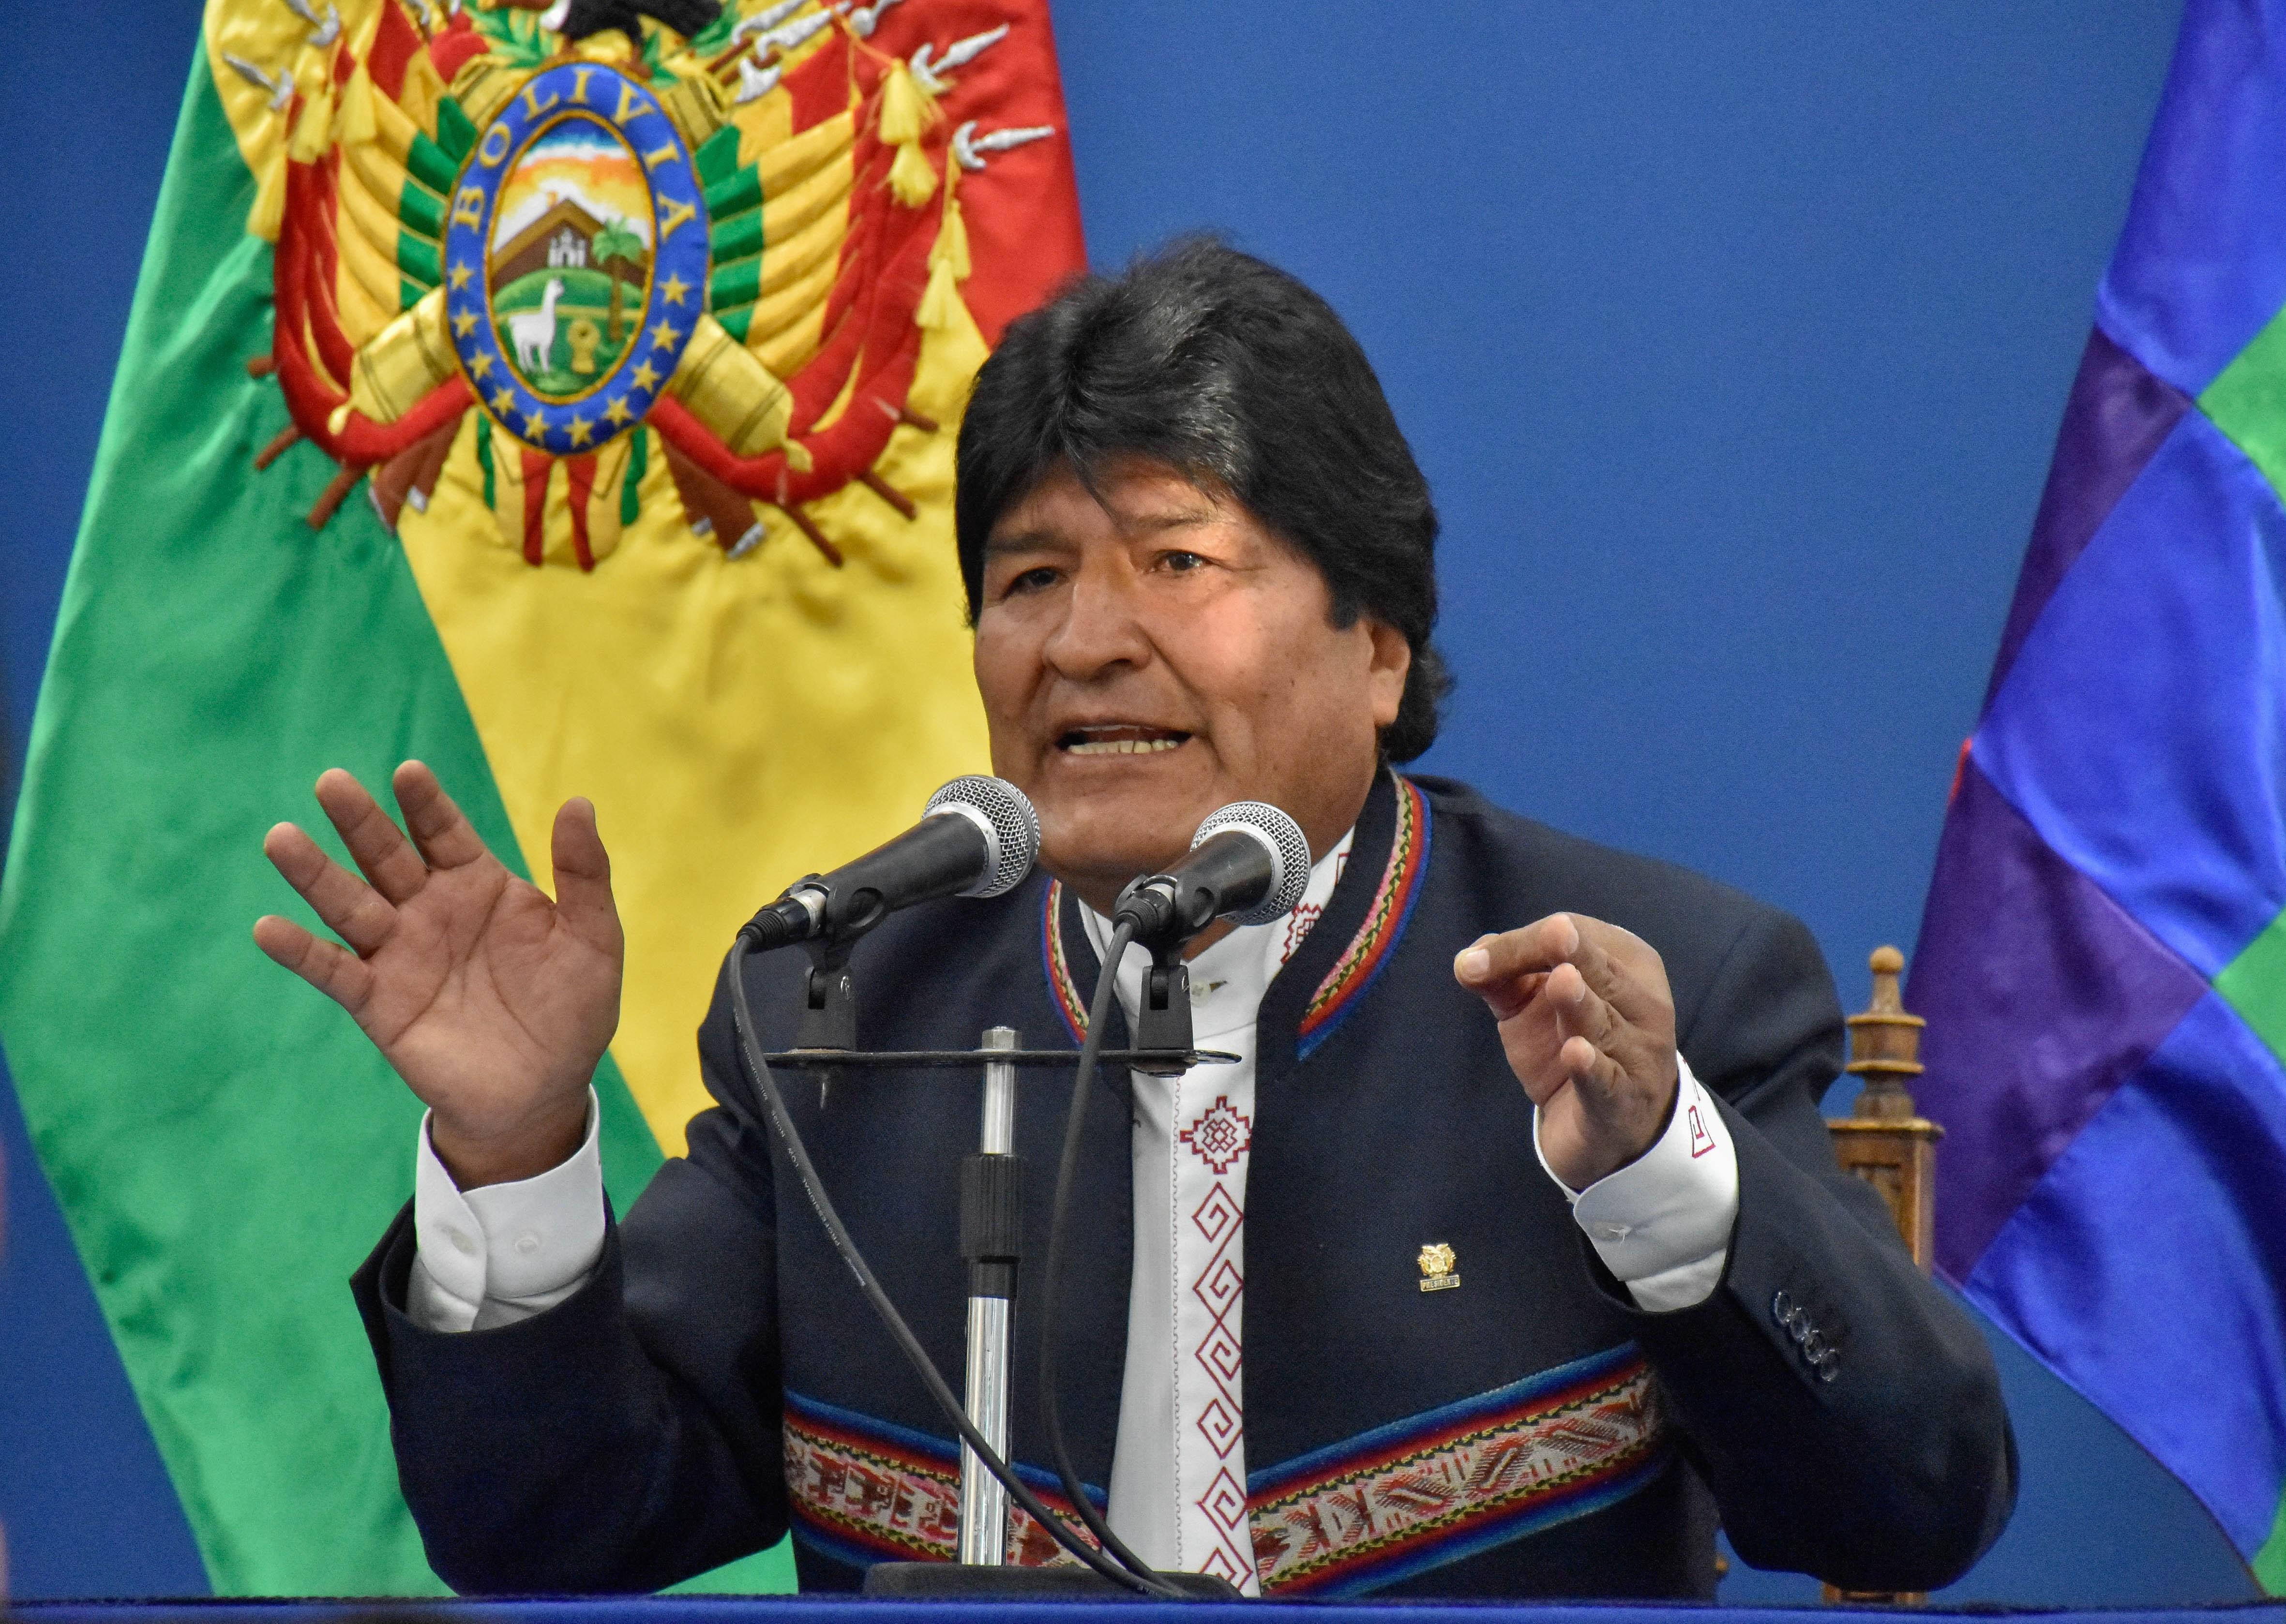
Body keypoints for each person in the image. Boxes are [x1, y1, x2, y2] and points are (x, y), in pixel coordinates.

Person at [257, 240, 2014, 1599]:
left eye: (1176, 563)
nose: (1086, 643)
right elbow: (553, 1534)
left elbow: (1909, 1513)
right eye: (1028, 580)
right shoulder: (842, 1006)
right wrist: (513, 1149)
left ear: (1376, 643)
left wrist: (1651, 1168)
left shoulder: (1626, 1000)